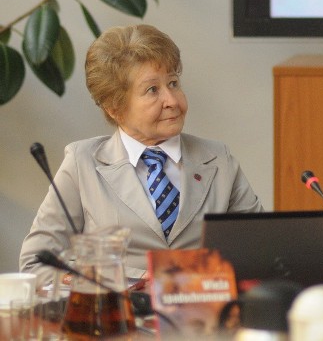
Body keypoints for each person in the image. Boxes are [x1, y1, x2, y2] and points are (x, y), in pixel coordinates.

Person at [20, 24, 263, 285]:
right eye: (152, 90)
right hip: (118, 319)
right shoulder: (82, 162)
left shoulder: (218, 159)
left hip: (203, 316)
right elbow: (35, 263)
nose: (171, 100)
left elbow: (263, 249)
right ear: (115, 107)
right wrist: (116, 281)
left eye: (173, 83)